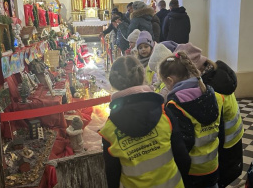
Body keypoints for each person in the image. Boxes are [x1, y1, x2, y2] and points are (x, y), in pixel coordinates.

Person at [99, 55, 190, 188]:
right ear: (142, 76)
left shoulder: (110, 129)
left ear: (113, 83)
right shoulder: (164, 113)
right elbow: (183, 158)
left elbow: (112, 175)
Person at [174, 43, 244, 188]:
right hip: (233, 141)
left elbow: (210, 128)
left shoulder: (211, 92)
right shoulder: (217, 76)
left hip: (224, 148)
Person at [159, 51, 225, 188]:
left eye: (164, 83)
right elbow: (221, 131)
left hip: (193, 172)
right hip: (213, 165)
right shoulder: (211, 93)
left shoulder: (175, 105)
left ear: (170, 80)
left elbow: (183, 144)